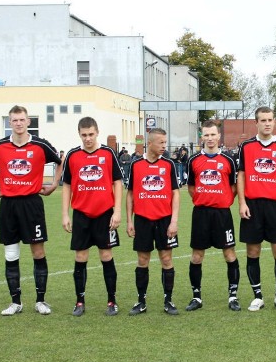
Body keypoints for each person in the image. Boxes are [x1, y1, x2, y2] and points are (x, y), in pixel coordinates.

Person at [0, 105, 62, 316]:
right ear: (10, 123)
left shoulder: (40, 145)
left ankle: (41, 300)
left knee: (38, 251)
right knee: (11, 253)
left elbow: (59, 161)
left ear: (29, 122)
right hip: (8, 204)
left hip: (32, 203)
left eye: (22, 120)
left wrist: (54, 184)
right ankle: (15, 302)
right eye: (14, 120)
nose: (18, 123)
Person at [61, 117, 123, 317]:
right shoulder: (72, 155)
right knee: (81, 256)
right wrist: (65, 214)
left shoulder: (107, 153)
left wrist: (117, 211)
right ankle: (80, 301)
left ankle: (112, 301)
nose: (88, 138)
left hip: (104, 214)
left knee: (106, 255)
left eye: (91, 134)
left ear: (97, 132)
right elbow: (67, 186)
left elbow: (118, 182)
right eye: (84, 135)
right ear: (79, 134)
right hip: (81, 214)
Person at [237, 106, 276, 311]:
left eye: (270, 120)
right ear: (256, 123)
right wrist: (242, 203)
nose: (267, 123)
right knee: (253, 252)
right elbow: (241, 176)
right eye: (263, 120)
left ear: (274, 121)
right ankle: (258, 296)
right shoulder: (246, 146)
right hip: (252, 205)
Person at [185, 119, 241, 311]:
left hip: (222, 214)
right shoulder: (193, 160)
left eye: (213, 134)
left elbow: (234, 187)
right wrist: (204, 199)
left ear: (219, 136)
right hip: (200, 213)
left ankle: (233, 296)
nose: (209, 138)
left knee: (229, 253)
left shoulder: (229, 160)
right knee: (197, 256)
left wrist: (223, 200)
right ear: (202, 137)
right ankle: (196, 297)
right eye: (206, 135)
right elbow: (191, 188)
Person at [126, 128, 180, 315]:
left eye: (166, 142)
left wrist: (174, 221)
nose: (164, 146)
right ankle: (141, 301)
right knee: (143, 260)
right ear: (150, 143)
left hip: (164, 220)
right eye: (161, 143)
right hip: (142, 220)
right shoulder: (135, 165)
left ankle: (168, 301)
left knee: (166, 259)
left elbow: (175, 193)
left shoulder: (169, 165)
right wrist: (129, 220)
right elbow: (130, 194)